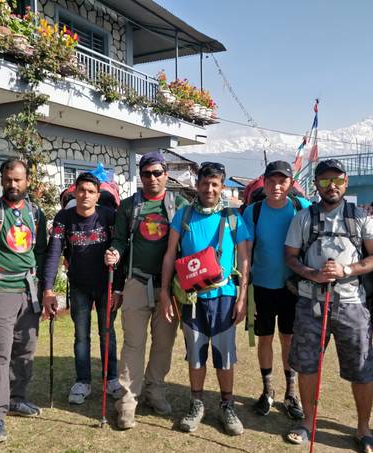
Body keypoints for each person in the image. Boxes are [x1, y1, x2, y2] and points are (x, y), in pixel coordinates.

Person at [285, 159, 373, 453]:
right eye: (323, 181)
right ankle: (308, 423)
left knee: (362, 369)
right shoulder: (303, 218)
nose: (331, 186)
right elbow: (291, 257)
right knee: (307, 366)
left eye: (336, 180)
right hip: (312, 303)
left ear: (345, 182)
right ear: (316, 185)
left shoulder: (360, 217)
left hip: (352, 305)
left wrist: (346, 270)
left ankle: (363, 428)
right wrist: (313, 274)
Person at [161, 162, 249, 436]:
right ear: (197, 185)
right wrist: (164, 293)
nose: (209, 189)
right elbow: (169, 255)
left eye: (215, 184)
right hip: (192, 299)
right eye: (205, 183)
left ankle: (227, 406)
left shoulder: (234, 218)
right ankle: (196, 403)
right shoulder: (183, 216)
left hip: (224, 297)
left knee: (224, 355)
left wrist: (243, 297)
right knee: (196, 355)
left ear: (222, 187)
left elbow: (245, 259)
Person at [105, 151, 185, 430]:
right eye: (147, 173)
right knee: (133, 344)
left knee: (164, 344)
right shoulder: (128, 206)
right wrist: (115, 251)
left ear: (166, 174)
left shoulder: (179, 205)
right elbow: (119, 240)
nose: (152, 178)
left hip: (169, 288)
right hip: (137, 283)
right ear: (140, 176)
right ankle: (127, 401)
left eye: (157, 172)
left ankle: (155, 390)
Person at [43, 172, 123, 405]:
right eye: (81, 190)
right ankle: (83, 381)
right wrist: (49, 289)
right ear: (74, 192)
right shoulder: (63, 218)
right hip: (79, 287)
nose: (85, 195)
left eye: (91, 191)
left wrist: (118, 289)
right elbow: (54, 252)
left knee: (108, 334)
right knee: (81, 336)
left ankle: (111, 379)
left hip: (105, 285)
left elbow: (119, 250)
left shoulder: (109, 216)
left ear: (98, 195)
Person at [243, 161, 310, 419]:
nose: (276, 186)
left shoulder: (301, 208)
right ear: (265, 182)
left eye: (282, 181)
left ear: (291, 183)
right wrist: (245, 287)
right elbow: (246, 252)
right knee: (265, 338)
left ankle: (290, 392)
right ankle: (267, 390)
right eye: (271, 181)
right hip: (261, 286)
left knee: (288, 339)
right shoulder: (253, 211)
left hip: (292, 288)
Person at [0, 159, 47, 443]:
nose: (12, 184)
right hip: (2, 289)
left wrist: (42, 287)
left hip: (29, 291)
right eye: (8, 179)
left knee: (25, 349)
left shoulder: (34, 212)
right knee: (1, 354)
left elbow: (40, 251)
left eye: (17, 179)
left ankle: (17, 398)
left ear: (27, 181)